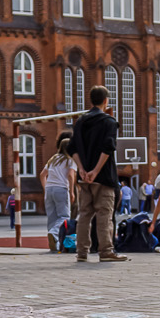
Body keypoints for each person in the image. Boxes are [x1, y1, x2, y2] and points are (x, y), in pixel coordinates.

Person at [72, 85, 126, 264]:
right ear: (105, 101)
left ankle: (81, 252)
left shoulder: (80, 122)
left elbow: (71, 147)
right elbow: (108, 147)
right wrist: (95, 171)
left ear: (91, 100)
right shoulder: (109, 122)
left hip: (84, 177)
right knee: (104, 214)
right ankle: (106, 251)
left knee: (84, 214)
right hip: (103, 176)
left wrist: (82, 169)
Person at [42, 134, 74, 251]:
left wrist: (46, 188)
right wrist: (71, 192)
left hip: (49, 189)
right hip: (61, 189)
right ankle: (54, 233)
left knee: (52, 217)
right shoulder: (69, 160)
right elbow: (70, 176)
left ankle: (53, 244)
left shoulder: (52, 159)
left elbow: (42, 175)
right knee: (64, 216)